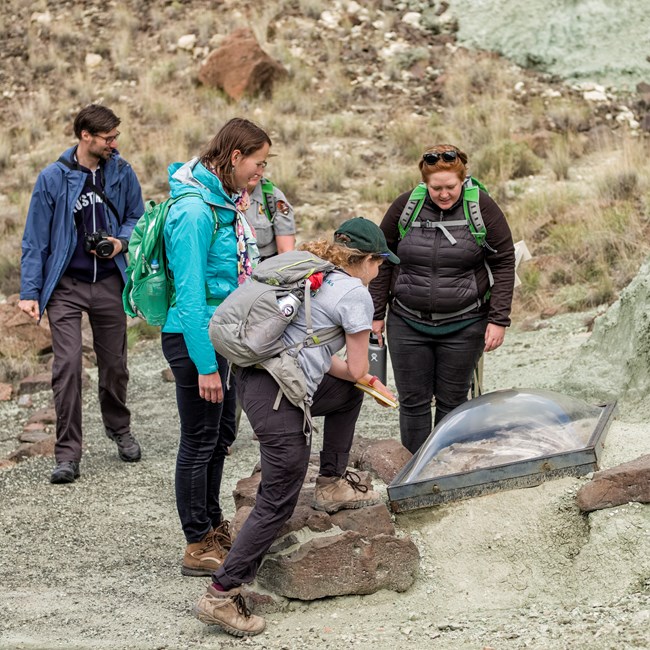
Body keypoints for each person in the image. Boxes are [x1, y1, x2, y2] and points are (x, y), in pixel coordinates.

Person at [193, 217, 399, 637]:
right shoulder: (355, 293)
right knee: (277, 500)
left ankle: (331, 482)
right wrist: (367, 376)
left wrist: (358, 380)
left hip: (253, 378)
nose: (380, 272)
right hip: (278, 396)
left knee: (347, 394)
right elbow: (358, 366)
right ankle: (220, 594)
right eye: (380, 264)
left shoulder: (303, 266)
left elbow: (337, 369)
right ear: (368, 260)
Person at [19, 104, 145, 484]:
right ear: (85, 136)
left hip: (109, 281)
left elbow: (137, 217)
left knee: (115, 367)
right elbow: (35, 239)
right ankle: (68, 453)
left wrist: (119, 243)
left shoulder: (121, 172)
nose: (114, 144)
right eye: (108, 138)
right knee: (68, 367)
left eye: (115, 137)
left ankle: (118, 428)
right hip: (66, 287)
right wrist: (30, 291)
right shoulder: (53, 178)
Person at [160, 118, 265, 578]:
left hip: (221, 335)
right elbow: (188, 293)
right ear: (236, 157)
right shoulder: (195, 212)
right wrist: (206, 366)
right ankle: (196, 541)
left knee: (220, 437)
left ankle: (213, 525)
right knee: (199, 439)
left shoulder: (223, 202)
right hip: (193, 338)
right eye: (258, 164)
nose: (261, 174)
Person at [370, 144, 516, 454]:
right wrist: (376, 314)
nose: (444, 194)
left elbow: (504, 262)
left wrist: (498, 319)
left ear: (463, 180)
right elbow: (381, 260)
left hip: (465, 323)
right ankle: (414, 469)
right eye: (436, 188)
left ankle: (445, 467)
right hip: (407, 320)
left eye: (451, 187)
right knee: (413, 402)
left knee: (453, 402)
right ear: (424, 183)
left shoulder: (483, 209)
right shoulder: (404, 207)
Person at [244, 176, 295, 260]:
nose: (256, 172)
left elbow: (286, 252)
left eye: (261, 165)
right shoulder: (219, 194)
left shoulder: (272, 196)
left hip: (265, 267)